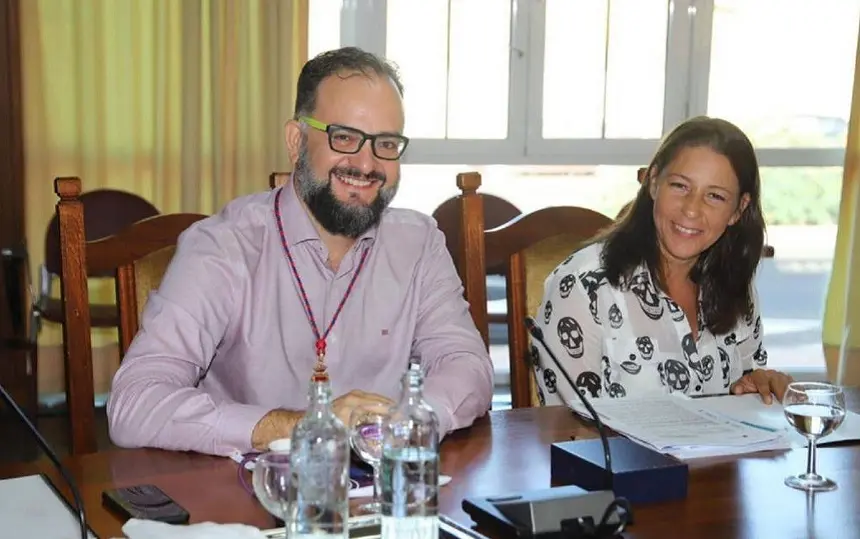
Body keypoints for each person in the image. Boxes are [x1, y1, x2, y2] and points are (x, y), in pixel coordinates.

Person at [107, 47, 494, 456]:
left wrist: (411, 423)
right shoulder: (223, 246)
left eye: (386, 143)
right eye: (344, 137)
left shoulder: (419, 244)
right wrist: (305, 426)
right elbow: (135, 404)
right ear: (296, 141)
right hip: (248, 496)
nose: (366, 164)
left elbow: (467, 365)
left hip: (382, 495)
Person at [533, 116, 792, 407]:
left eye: (715, 196)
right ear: (653, 183)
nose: (692, 209)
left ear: (738, 210)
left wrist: (755, 387)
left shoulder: (735, 283)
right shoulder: (583, 286)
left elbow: (742, 400)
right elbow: (569, 427)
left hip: (720, 454)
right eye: (680, 186)